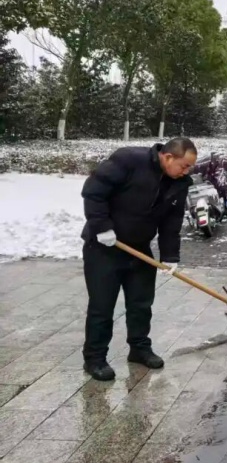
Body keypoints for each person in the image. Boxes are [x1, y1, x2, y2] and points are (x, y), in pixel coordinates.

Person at [80, 137, 197, 381]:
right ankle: (95, 358)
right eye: (184, 166)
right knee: (102, 307)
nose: (187, 171)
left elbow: (171, 223)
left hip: (140, 248)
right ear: (168, 157)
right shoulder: (128, 160)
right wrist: (102, 227)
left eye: (190, 167)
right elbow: (93, 192)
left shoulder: (179, 183)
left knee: (141, 304)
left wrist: (170, 256)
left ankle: (139, 348)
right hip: (104, 247)